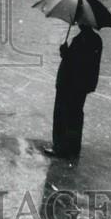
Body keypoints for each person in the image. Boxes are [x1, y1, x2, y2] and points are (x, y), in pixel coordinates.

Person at [44, 23, 103, 160]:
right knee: (75, 115)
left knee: (61, 114)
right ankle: (73, 148)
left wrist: (65, 52)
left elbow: (76, 63)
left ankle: (59, 147)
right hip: (80, 86)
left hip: (69, 84)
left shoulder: (82, 39)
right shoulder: (95, 39)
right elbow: (89, 64)